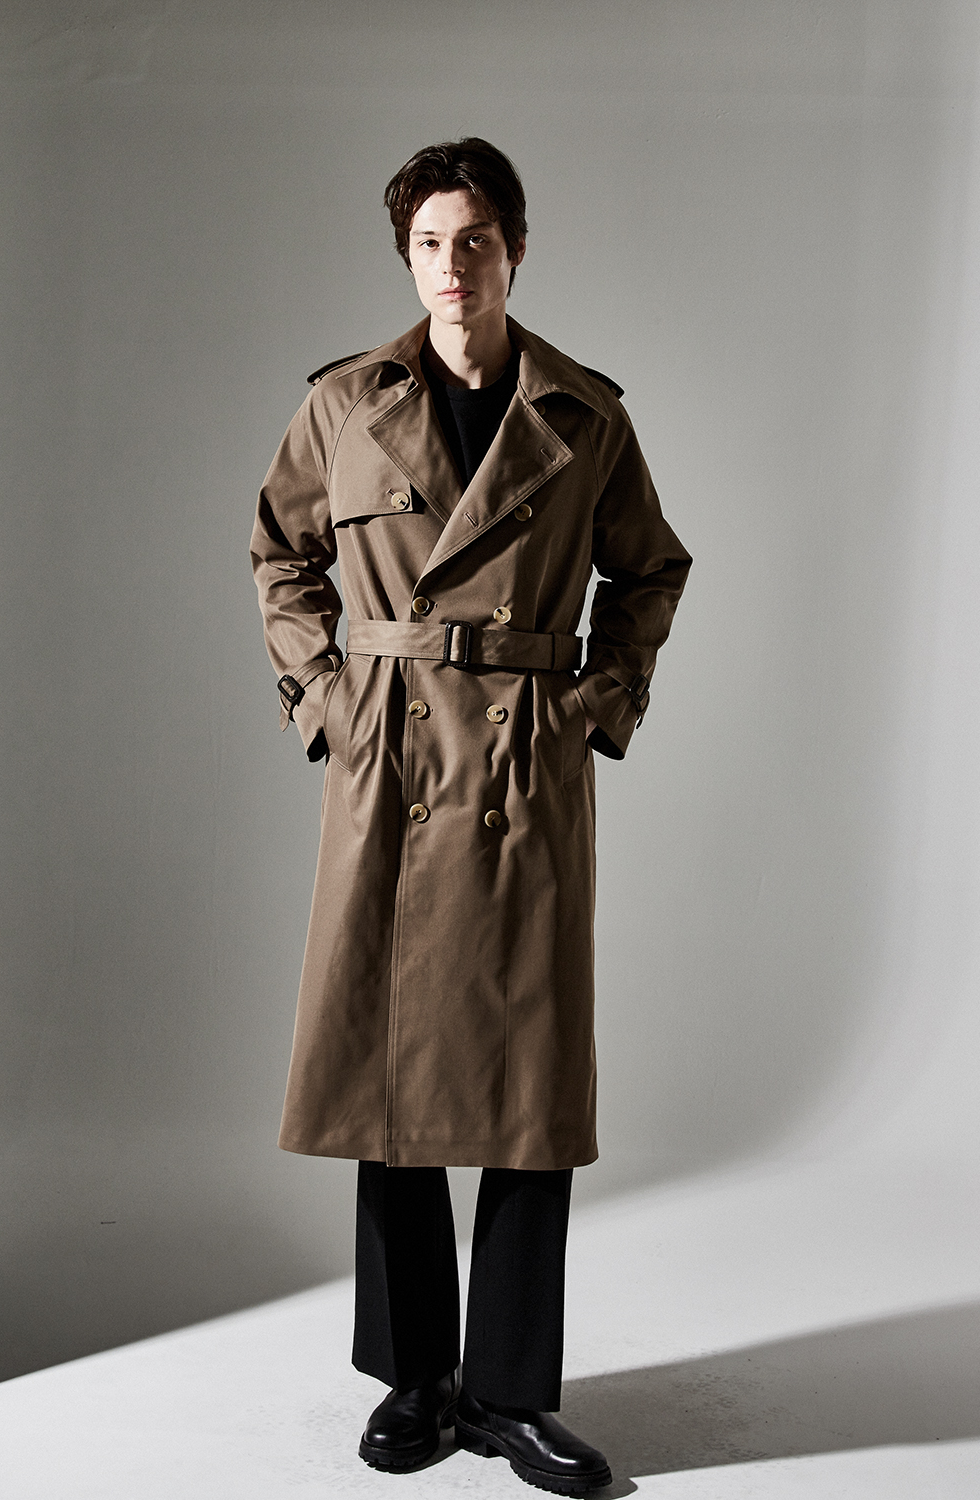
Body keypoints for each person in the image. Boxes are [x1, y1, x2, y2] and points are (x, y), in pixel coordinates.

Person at [250, 137, 691, 1495]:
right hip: (390, 761)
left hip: (518, 770)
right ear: (407, 259)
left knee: (528, 1082)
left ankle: (508, 1392)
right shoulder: (344, 405)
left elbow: (650, 570)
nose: (455, 266)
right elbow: (279, 553)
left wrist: (595, 705)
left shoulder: (583, 415)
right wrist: (325, 700)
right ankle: (414, 1377)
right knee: (388, 1071)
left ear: (516, 249)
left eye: (478, 240)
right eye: (431, 243)